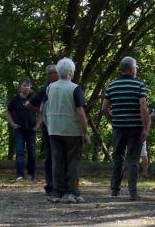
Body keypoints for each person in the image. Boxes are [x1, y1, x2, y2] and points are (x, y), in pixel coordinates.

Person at [102, 56, 150, 200]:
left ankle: (114, 190)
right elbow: (143, 106)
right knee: (133, 159)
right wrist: (145, 127)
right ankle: (133, 192)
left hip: (118, 128)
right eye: (135, 68)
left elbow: (104, 108)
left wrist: (113, 119)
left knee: (118, 158)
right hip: (135, 128)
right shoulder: (139, 85)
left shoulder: (112, 86)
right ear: (131, 69)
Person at [45, 57, 92, 203]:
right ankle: (73, 192)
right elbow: (80, 112)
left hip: (54, 129)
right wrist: (85, 132)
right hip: (72, 130)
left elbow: (45, 108)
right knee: (73, 161)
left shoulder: (50, 87)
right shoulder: (75, 88)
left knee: (57, 160)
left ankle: (56, 192)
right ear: (71, 72)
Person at [28, 65, 59, 198]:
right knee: (49, 156)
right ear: (50, 74)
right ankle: (50, 184)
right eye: (55, 73)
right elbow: (29, 104)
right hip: (48, 128)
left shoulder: (62, 86)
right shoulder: (45, 89)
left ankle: (60, 184)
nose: (58, 74)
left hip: (60, 126)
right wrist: (41, 111)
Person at [6, 79, 36, 182]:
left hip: (31, 129)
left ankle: (31, 174)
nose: (27, 87)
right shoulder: (15, 99)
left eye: (28, 85)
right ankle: (20, 175)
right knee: (19, 152)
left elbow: (41, 110)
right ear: (20, 87)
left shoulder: (33, 98)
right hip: (19, 130)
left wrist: (38, 125)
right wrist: (12, 124)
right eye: (24, 85)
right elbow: (8, 112)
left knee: (32, 152)